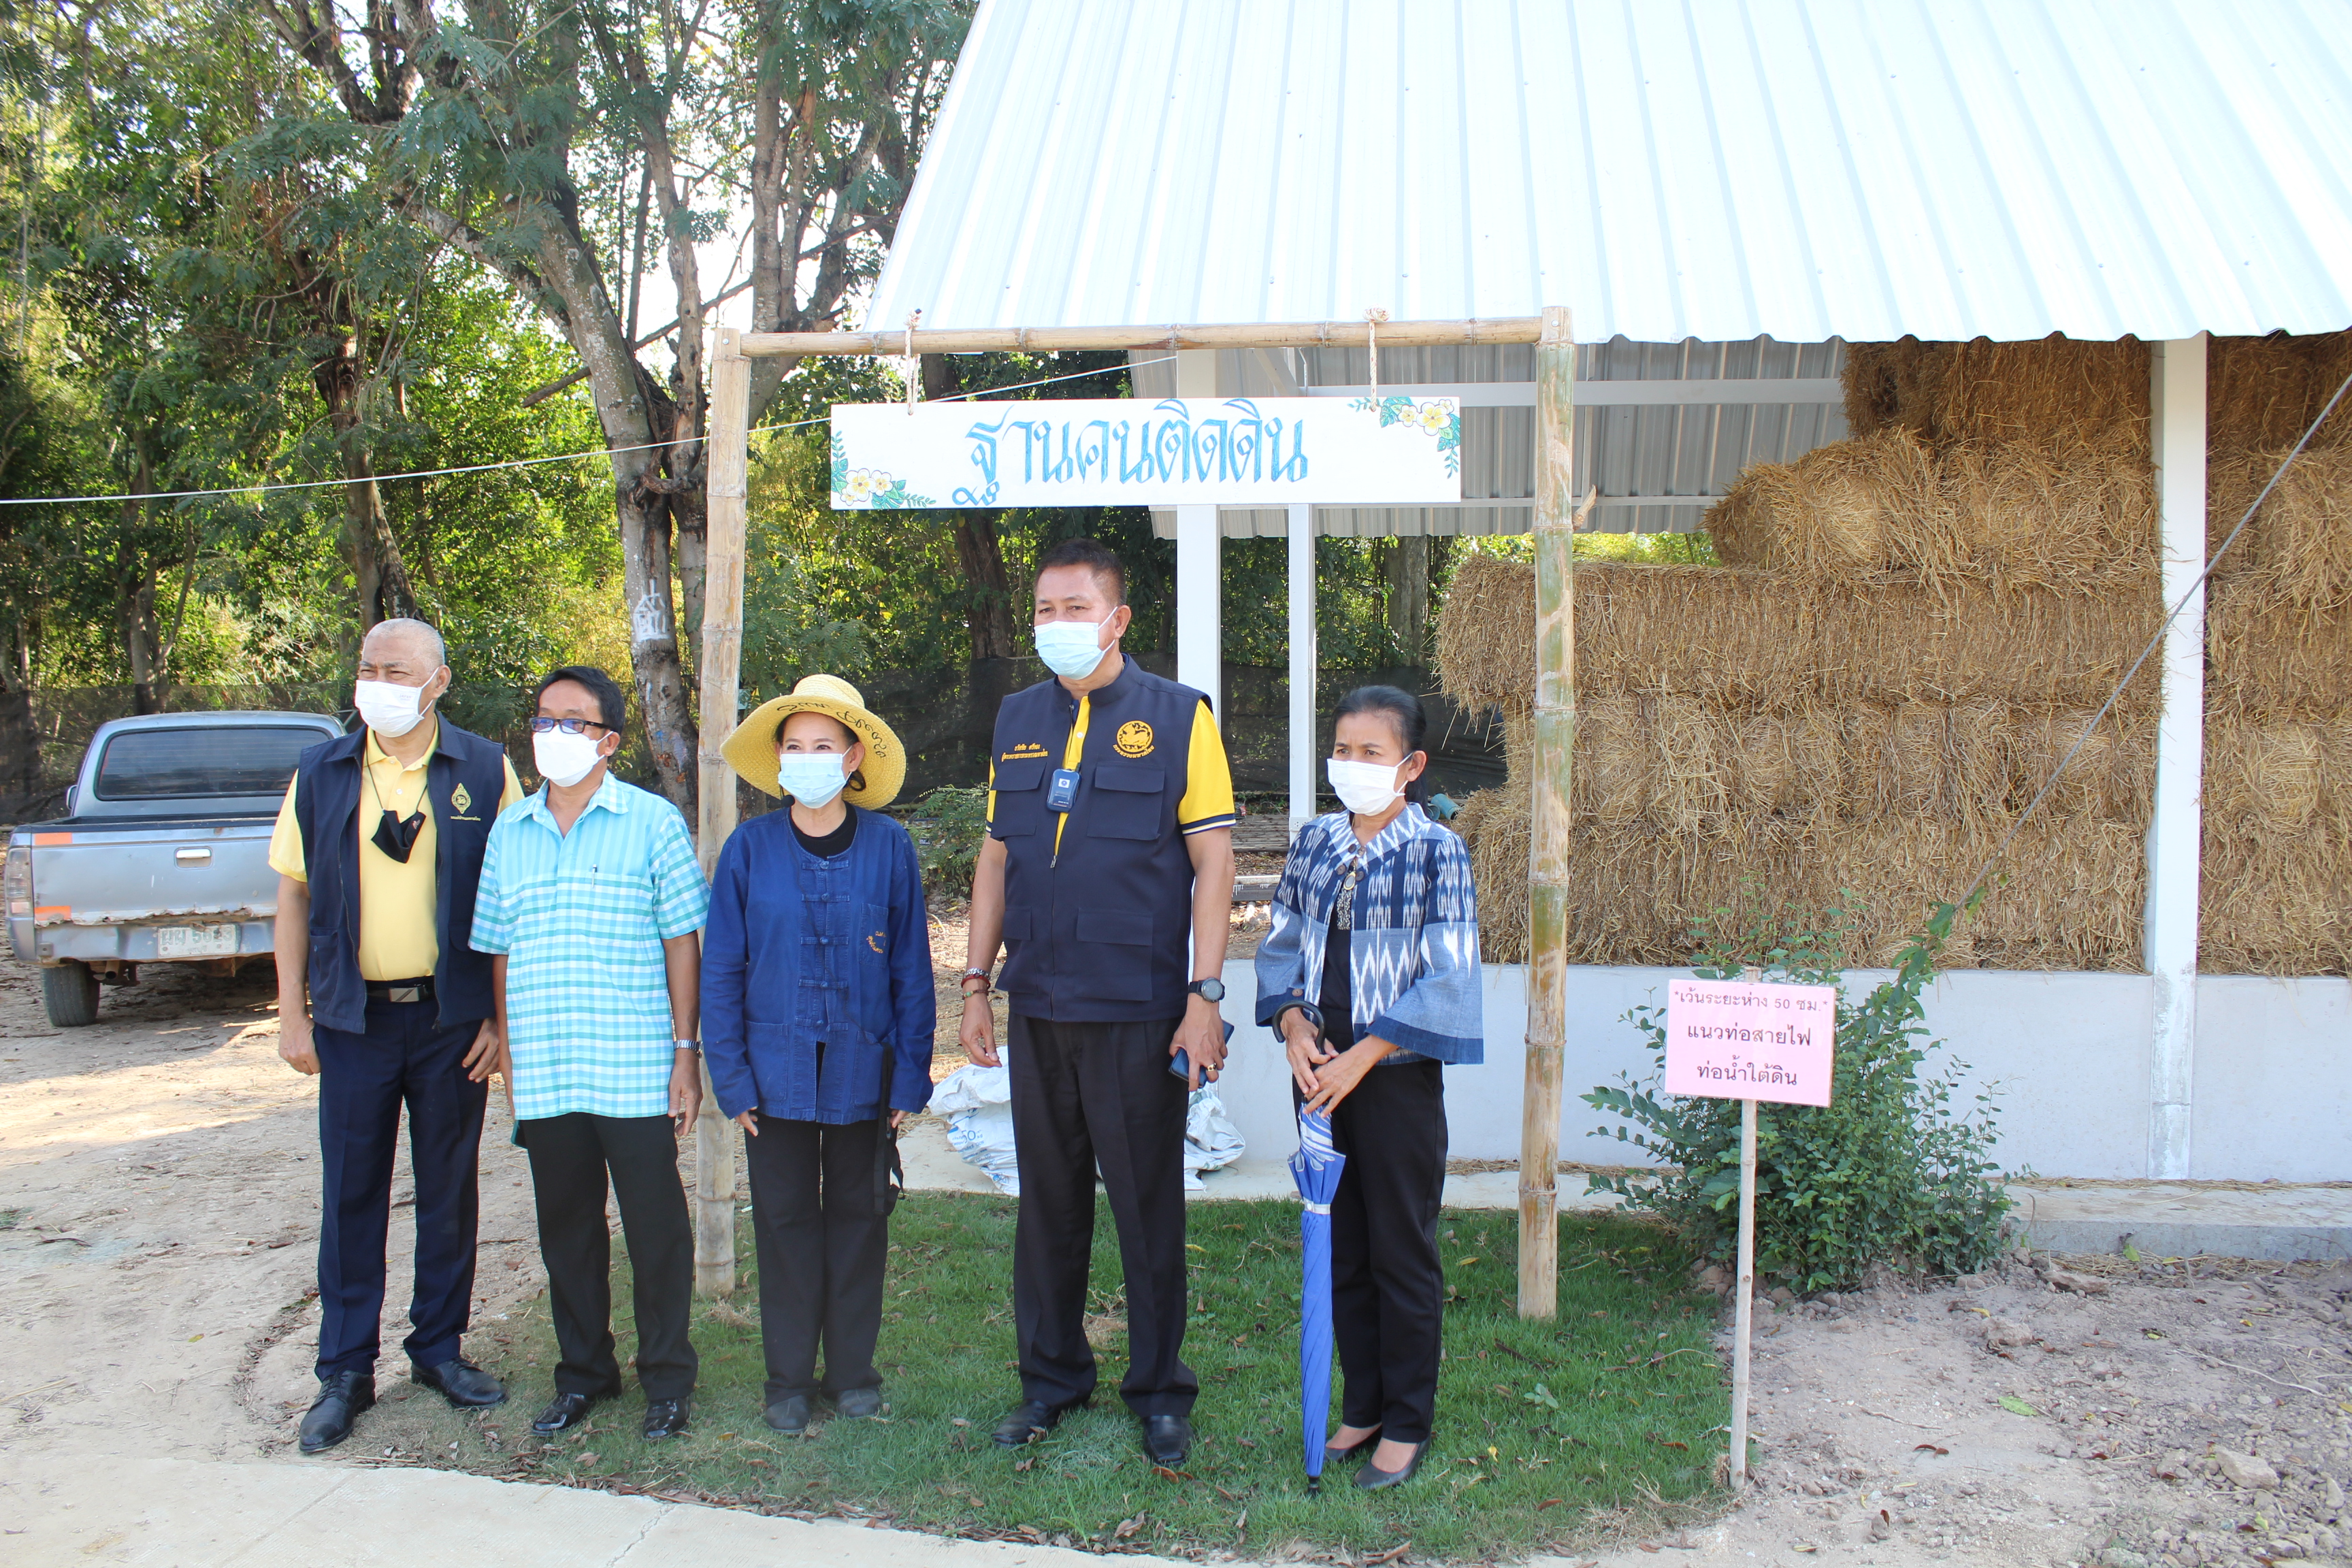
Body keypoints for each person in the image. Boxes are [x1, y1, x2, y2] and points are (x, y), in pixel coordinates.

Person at [960, 536, 1237, 1467]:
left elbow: (1213, 864)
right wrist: (975, 985)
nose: (1057, 624)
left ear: (1117, 619)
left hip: (1138, 1006)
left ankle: (1160, 1392)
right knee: (1048, 1204)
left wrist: (1204, 996)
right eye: (1045, 609)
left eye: (1075, 608)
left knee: (1148, 1208)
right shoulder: (1017, 718)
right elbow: (996, 856)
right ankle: (1050, 1380)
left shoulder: (1179, 716)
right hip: (1040, 1001)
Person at [270, 617, 526, 1454]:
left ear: (439, 682)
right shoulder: (322, 772)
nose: (378, 683)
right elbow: (293, 896)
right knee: (352, 1192)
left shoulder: (484, 769)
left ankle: (439, 1349)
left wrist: (501, 1018)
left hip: (452, 1021)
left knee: (449, 1190)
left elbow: (514, 900)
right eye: (369, 668)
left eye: (398, 670)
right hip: (354, 1021)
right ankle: (345, 1371)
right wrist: (292, 1014)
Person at [470, 666, 710, 1442]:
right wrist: (508, 1048)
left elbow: (683, 941)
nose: (554, 734)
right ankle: (584, 1374)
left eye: (573, 722)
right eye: (545, 720)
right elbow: (499, 947)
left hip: (633, 1063)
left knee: (655, 1230)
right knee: (567, 1230)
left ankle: (667, 1379)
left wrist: (685, 1052)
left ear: (608, 741)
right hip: (547, 1065)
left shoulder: (651, 822)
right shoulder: (510, 831)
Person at [1254, 685, 1483, 1490]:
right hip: (1318, 1074)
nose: (1352, 765)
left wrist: (1363, 1056)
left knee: (1400, 1248)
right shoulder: (1316, 842)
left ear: (1411, 766)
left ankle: (1408, 1420)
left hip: (1392, 1082)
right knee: (1341, 1242)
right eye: (1342, 751)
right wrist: (1293, 1027)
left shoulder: (1437, 853)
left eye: (1371, 753)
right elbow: (1281, 946)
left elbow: (1450, 975)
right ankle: (1363, 1405)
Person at [701, 674, 935, 1435]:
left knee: (860, 1221)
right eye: (795, 746)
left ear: (853, 756)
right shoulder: (749, 849)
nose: (808, 758)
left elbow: (910, 969)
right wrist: (732, 1079)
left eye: (823, 745)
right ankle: (789, 1381)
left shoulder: (890, 847)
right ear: (779, 758)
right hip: (773, 1079)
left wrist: (910, 1076)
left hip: (865, 1074)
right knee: (785, 1223)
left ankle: (854, 1374)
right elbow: (722, 968)